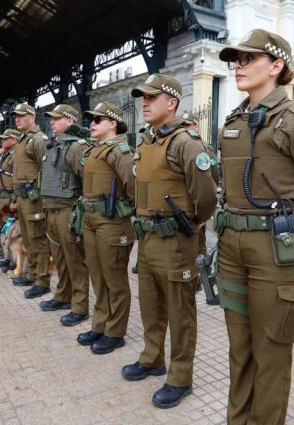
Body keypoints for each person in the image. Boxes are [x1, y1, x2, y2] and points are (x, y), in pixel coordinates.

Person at [216, 29, 294, 423]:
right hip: (233, 248)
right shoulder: (234, 122)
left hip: (278, 250)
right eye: (236, 59)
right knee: (240, 349)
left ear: (276, 66)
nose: (239, 65)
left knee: (271, 352)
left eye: (248, 58)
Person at [121, 74, 217, 409]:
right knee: (150, 304)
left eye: (152, 97)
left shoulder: (185, 142)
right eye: (142, 98)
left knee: (180, 311)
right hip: (147, 239)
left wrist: (194, 221)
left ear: (171, 102)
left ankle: (180, 376)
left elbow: (207, 195)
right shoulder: (147, 142)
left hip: (176, 241)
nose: (144, 103)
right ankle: (152, 357)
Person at [73, 102, 135, 354]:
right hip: (92, 221)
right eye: (91, 119)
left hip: (112, 223)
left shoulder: (120, 152)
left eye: (98, 119)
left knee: (115, 279)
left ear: (113, 123)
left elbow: (134, 189)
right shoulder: (93, 151)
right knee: (98, 277)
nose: (92, 123)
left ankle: (115, 332)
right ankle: (100, 324)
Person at [39, 104, 93, 326]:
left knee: (75, 260)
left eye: (56, 118)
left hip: (67, 211)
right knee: (60, 259)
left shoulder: (76, 148)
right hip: (51, 209)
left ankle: (80, 307)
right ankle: (63, 295)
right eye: (51, 119)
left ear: (69, 121)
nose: (51, 122)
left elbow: (88, 181)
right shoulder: (54, 145)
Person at [10, 103, 52, 299]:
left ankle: (42, 281)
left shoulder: (38, 140)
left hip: (34, 199)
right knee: (28, 239)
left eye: (21, 116)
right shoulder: (22, 139)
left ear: (31, 117)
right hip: (22, 198)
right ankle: (33, 273)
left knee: (37, 240)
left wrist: (38, 194)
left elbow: (46, 171)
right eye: (15, 116)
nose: (17, 119)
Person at [180, 111, 220, 261]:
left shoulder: (205, 148)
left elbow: (213, 177)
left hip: (197, 203)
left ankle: (199, 276)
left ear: (196, 126)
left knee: (198, 243)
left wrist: (205, 212)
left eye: (189, 125)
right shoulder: (180, 145)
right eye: (184, 126)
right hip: (182, 204)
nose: (186, 128)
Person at [0, 129, 20, 270]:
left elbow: (18, 179)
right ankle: (8, 258)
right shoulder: (5, 154)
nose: (2, 141)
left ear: (14, 139)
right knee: (5, 230)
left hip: (10, 198)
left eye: (5, 139)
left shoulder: (16, 156)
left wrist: (15, 201)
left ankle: (13, 261)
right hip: (2, 198)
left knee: (12, 232)